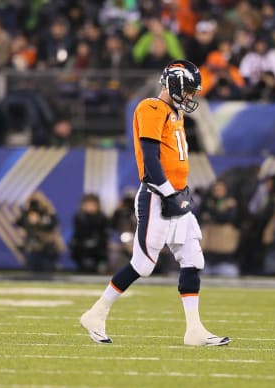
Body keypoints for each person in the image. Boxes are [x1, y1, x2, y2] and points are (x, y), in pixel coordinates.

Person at [80, 59, 230, 346]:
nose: (189, 96)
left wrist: (181, 192)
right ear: (173, 84)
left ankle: (194, 330)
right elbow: (150, 159)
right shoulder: (150, 107)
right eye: (187, 89)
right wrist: (168, 192)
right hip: (156, 195)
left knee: (192, 259)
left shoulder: (176, 114)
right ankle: (96, 313)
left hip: (177, 192)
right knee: (143, 264)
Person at [15, 191, 65, 273]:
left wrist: (39, 221)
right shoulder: (27, 213)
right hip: (33, 249)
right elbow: (19, 222)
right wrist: (26, 213)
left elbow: (52, 225)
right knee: (30, 272)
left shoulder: (48, 212)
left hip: (48, 249)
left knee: (47, 271)